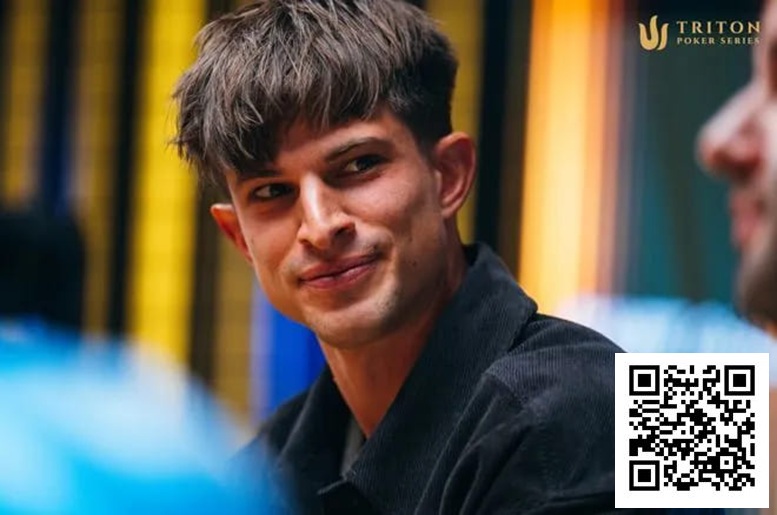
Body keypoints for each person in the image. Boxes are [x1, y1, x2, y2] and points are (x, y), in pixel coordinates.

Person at [172, 1, 625, 513]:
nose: (319, 227)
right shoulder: (266, 469)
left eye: (359, 165)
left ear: (449, 175)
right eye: (272, 192)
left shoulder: (613, 400)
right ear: (239, 239)